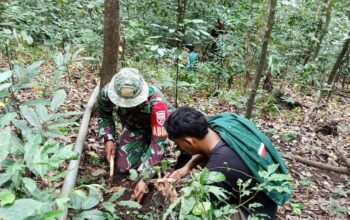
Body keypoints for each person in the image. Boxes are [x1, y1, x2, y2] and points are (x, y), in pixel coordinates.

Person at [164, 107, 292, 219]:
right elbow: (203, 150)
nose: (180, 147)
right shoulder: (221, 123)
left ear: (188, 141)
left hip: (255, 214)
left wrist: (172, 198)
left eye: (178, 144)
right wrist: (187, 167)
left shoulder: (218, 168)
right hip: (265, 197)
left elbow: (197, 213)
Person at [95, 68, 172, 202]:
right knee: (123, 167)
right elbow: (104, 114)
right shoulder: (107, 93)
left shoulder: (157, 102)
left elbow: (160, 141)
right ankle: (144, 149)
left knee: (153, 158)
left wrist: (144, 179)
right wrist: (108, 138)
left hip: (160, 129)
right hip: (135, 128)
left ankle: (149, 153)